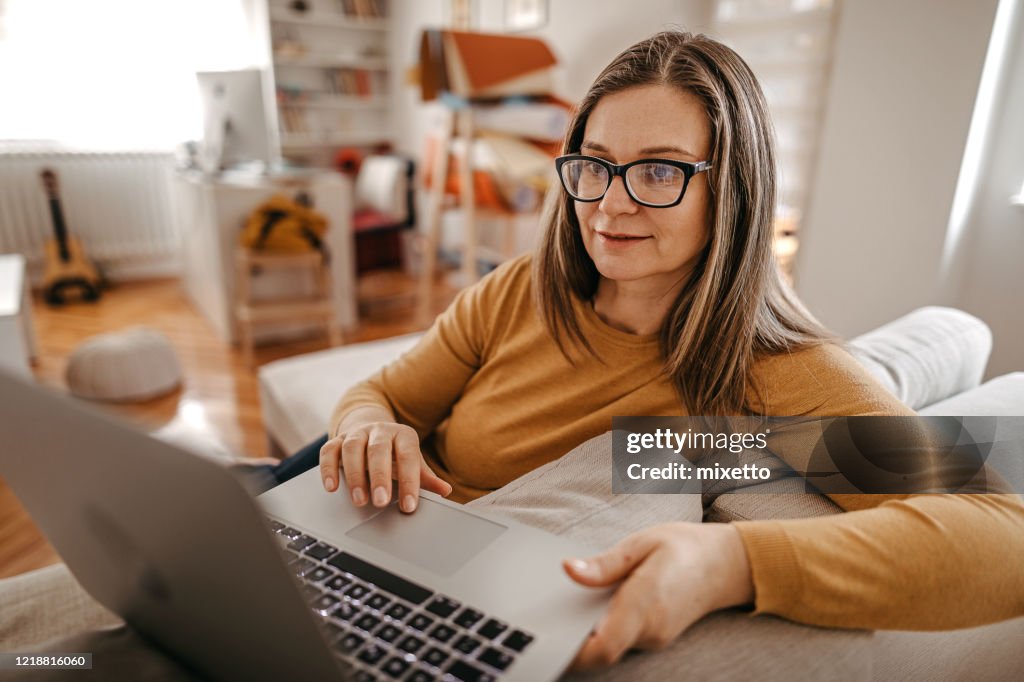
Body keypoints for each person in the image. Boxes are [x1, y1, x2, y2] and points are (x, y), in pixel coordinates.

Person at [295, 30, 1023, 669]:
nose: (609, 205)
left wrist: (733, 562)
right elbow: (384, 393)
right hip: (382, 543)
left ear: (731, 190)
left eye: (659, 171)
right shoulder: (521, 288)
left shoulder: (779, 372)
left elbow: (1005, 533)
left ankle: (951, 337)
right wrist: (367, 429)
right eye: (595, 163)